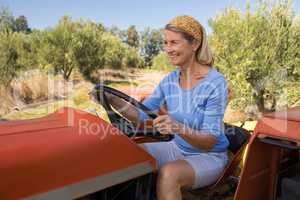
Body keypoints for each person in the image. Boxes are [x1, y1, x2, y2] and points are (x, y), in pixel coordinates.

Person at [92, 15, 229, 200]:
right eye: (165, 43)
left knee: (169, 174)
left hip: (209, 156)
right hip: (177, 148)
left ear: (194, 44)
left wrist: (177, 127)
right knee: (125, 152)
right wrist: (111, 99)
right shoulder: (170, 80)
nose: (168, 49)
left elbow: (209, 141)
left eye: (174, 43)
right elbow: (142, 116)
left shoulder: (215, 82)